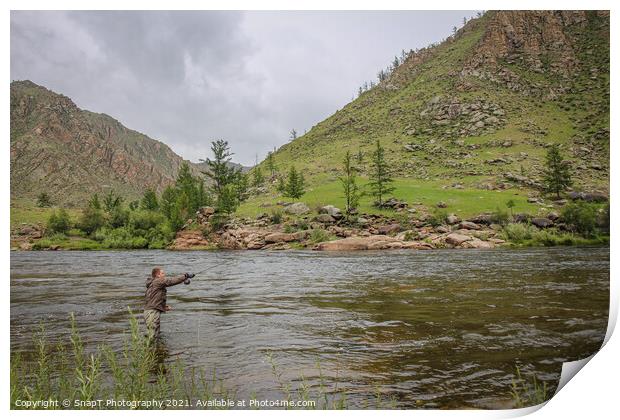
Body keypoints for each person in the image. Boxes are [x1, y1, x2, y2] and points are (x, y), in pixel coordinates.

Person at [144, 267, 194, 339]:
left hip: (150, 311)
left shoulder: (154, 283)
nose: (164, 274)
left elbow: (152, 299)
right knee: (152, 335)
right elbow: (171, 281)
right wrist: (186, 275)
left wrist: (163, 307)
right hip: (152, 312)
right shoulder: (157, 281)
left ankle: (154, 349)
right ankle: (150, 349)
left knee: (154, 334)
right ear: (158, 275)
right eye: (162, 273)